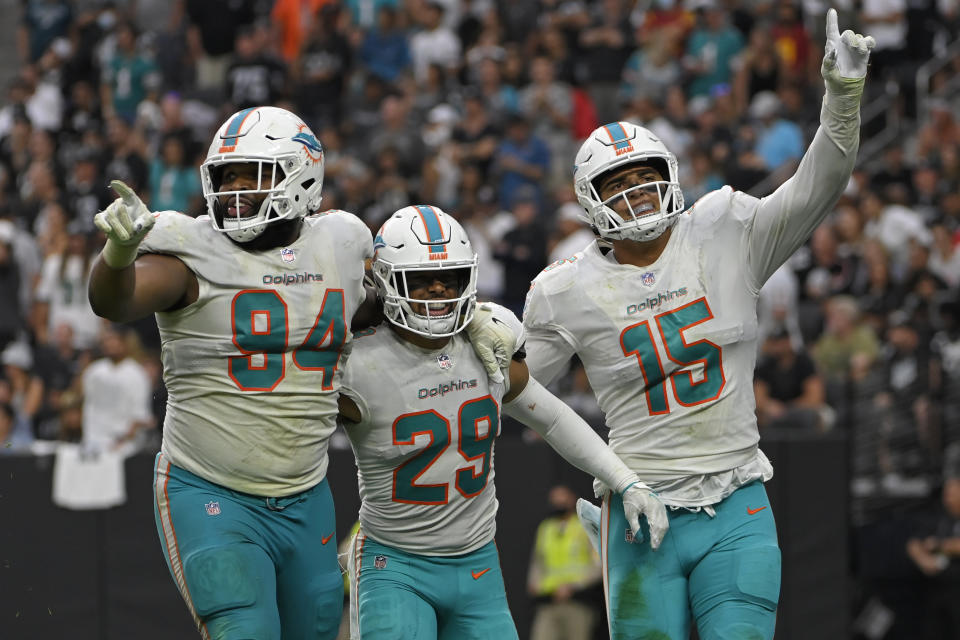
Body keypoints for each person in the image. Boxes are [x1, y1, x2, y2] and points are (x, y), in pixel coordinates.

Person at [515, 11, 875, 639]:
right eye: (618, 184)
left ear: (671, 177)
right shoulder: (562, 289)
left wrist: (840, 100)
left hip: (736, 499)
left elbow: (819, 185)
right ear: (589, 198)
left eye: (646, 179)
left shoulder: (724, 230)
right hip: (639, 509)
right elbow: (518, 396)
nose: (637, 196)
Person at [87, 106, 375, 640]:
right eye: (227, 177)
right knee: (245, 627)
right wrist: (119, 252)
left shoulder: (342, 244)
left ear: (302, 176)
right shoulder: (191, 251)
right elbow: (115, 300)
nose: (235, 190)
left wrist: (470, 322)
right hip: (209, 487)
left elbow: (385, 311)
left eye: (253, 175)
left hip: (305, 490)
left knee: (314, 628)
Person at [338, 205, 668, 640]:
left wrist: (625, 481)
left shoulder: (485, 345)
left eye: (449, 278)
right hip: (395, 564)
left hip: (477, 564)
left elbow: (551, 417)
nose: (437, 291)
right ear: (385, 284)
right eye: (420, 280)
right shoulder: (352, 364)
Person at [527, 485, 602, 640]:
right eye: (555, 498)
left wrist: (574, 586)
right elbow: (538, 561)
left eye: (562, 497)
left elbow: (598, 566)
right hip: (549, 601)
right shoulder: (546, 528)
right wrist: (535, 583)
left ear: (572, 499)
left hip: (578, 601)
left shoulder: (583, 525)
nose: (558, 502)